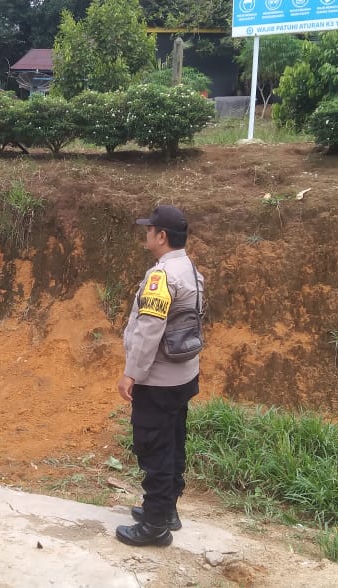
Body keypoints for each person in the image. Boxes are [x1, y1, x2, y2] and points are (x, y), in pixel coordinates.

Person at [116, 204, 204, 547]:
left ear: (162, 236)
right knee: (173, 442)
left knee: (153, 447)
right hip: (183, 375)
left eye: (149, 229)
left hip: (158, 379)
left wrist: (131, 373)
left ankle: (154, 525)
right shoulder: (190, 269)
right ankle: (167, 510)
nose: (146, 234)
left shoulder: (161, 276)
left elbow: (149, 330)